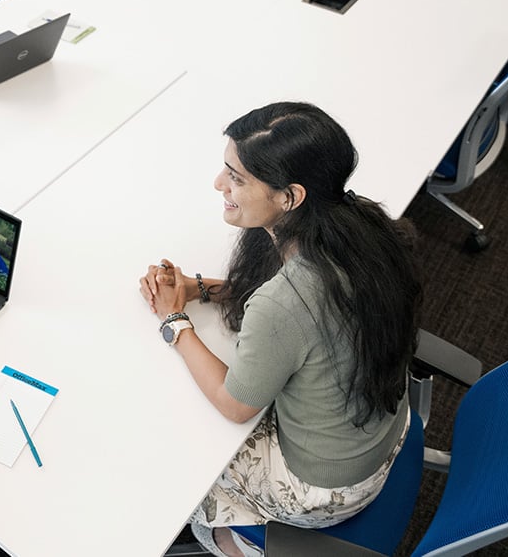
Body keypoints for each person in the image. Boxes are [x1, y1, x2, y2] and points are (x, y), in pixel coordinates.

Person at [137, 102, 421, 557]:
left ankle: (240, 544)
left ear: (289, 197)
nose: (218, 184)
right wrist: (201, 289)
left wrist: (174, 321)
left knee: (181, 472)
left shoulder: (285, 301)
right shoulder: (361, 222)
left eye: (237, 178)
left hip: (325, 489)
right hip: (387, 429)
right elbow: (305, 314)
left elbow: (235, 405)